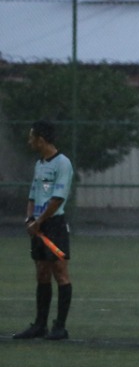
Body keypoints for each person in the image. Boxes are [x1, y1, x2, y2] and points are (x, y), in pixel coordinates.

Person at [14, 120, 74, 340]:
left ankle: (60, 327)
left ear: (41, 139)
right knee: (41, 272)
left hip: (54, 225)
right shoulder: (39, 164)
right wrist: (30, 218)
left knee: (60, 272)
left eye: (32, 137)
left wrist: (39, 221)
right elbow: (32, 194)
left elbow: (58, 199)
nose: (30, 141)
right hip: (38, 225)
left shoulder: (63, 163)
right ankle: (39, 325)